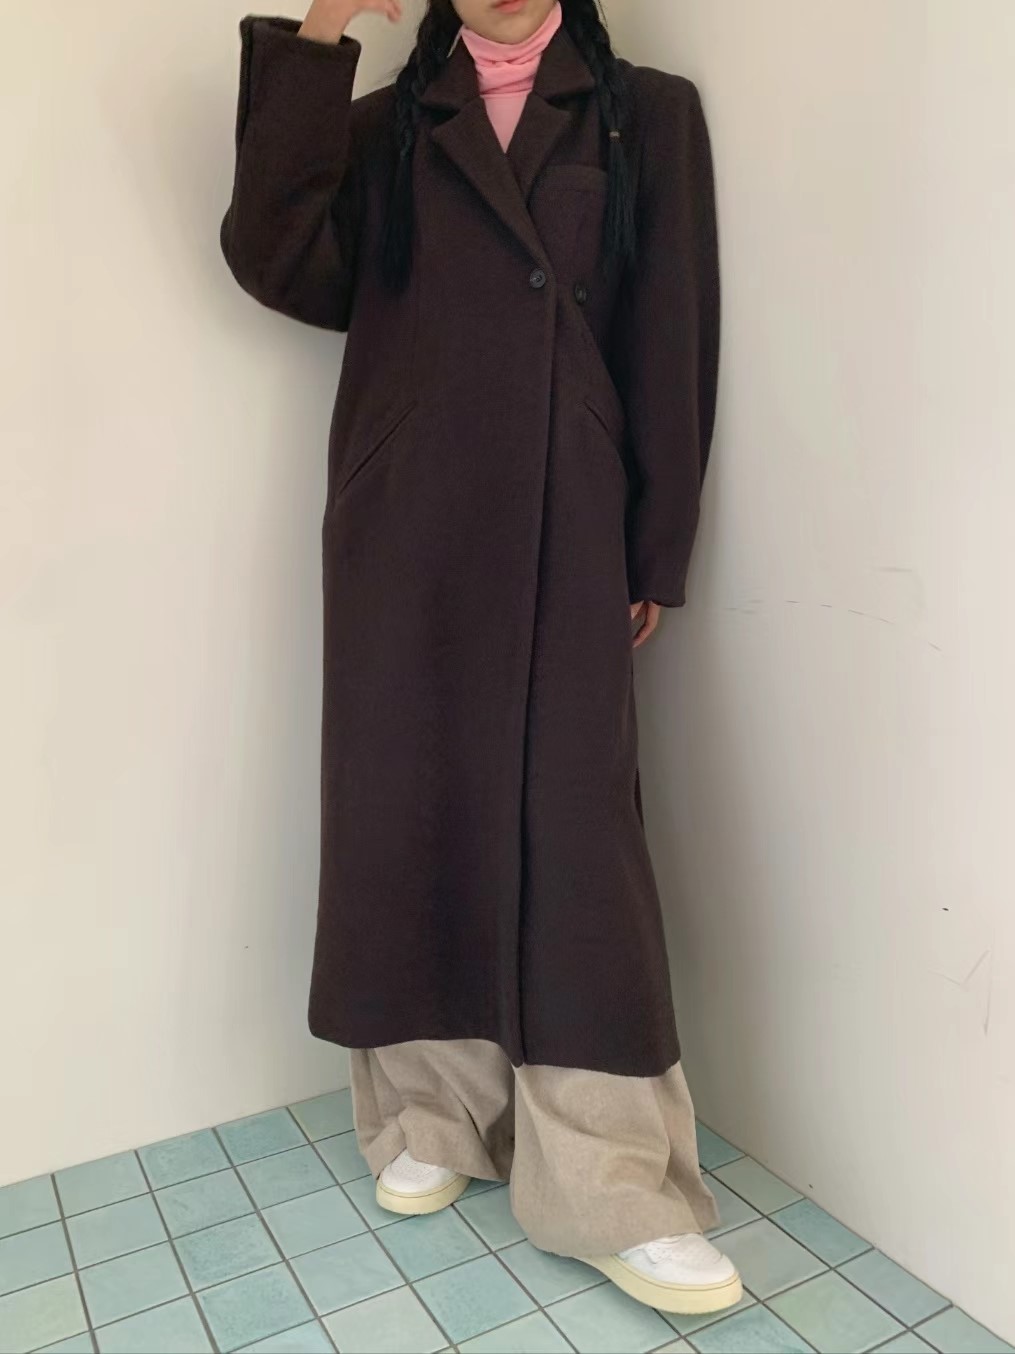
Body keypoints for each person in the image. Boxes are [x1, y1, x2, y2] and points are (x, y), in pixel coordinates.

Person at [220, 0, 739, 1315]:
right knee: (408, 808)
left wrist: (654, 546)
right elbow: (275, 256)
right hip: (403, 525)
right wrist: (320, 38)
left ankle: (611, 1180)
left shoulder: (645, 115)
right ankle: (431, 1115)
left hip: (570, 521)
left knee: (579, 840)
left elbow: (672, 332)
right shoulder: (388, 130)